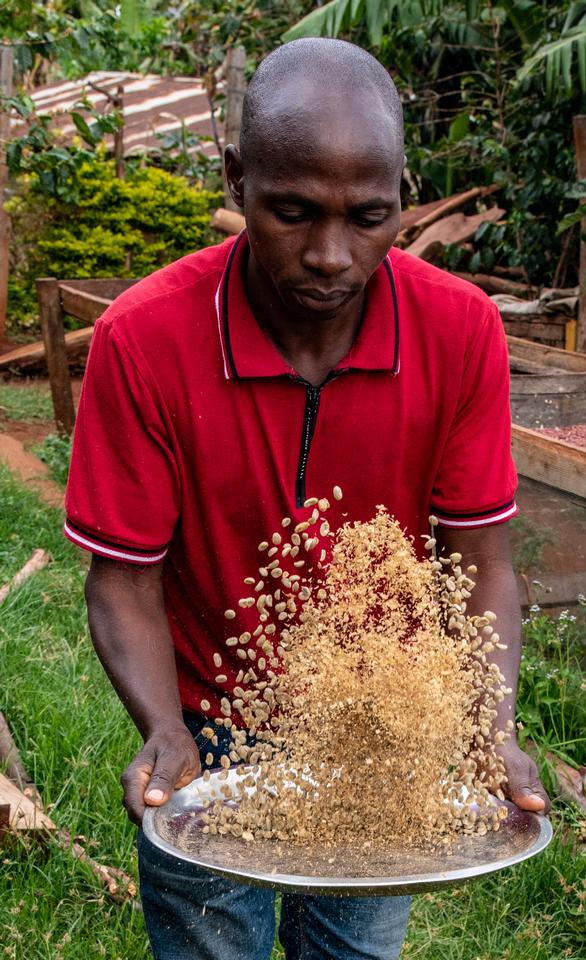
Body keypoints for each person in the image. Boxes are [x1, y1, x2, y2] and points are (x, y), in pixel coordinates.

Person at [65, 37, 550, 960]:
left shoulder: (460, 332)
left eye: (369, 217)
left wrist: (493, 731)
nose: (331, 256)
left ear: (404, 194)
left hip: (381, 737)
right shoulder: (146, 339)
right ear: (237, 178)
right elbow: (123, 576)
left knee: (356, 952)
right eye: (292, 212)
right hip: (210, 726)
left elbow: (482, 561)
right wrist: (166, 730)